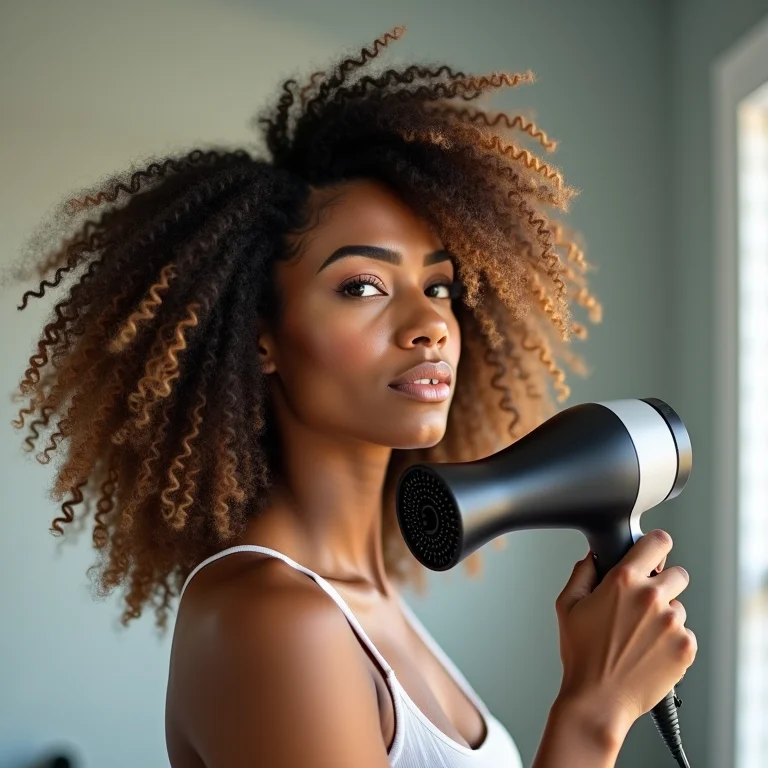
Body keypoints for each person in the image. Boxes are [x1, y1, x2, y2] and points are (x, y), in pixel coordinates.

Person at [9, 25, 696, 768]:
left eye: (438, 286)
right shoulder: (270, 620)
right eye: (362, 286)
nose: (431, 323)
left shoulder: (365, 606)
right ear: (261, 336)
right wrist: (593, 716)